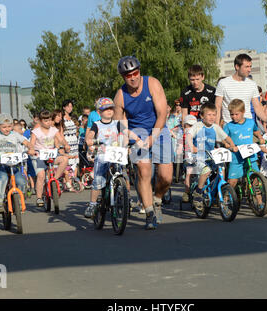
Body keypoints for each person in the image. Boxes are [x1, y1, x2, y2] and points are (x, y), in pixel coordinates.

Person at [113, 56, 173, 230]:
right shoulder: (120, 96)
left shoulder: (152, 83)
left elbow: (162, 113)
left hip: (159, 130)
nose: (133, 77)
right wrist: (133, 139)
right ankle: (149, 213)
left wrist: (152, 138)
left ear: (140, 71)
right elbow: (120, 125)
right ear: (123, 77)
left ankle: (158, 199)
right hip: (137, 134)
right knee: (144, 170)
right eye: (128, 75)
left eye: (135, 73)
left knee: (166, 177)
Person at [186, 103, 237, 211]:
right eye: (209, 115)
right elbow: (189, 136)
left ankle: (221, 189)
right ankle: (198, 192)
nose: (212, 117)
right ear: (202, 116)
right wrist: (192, 146)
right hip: (199, 154)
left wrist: (232, 145)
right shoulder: (198, 126)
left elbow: (226, 137)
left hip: (210, 154)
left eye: (214, 115)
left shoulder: (216, 127)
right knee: (206, 170)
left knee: (221, 167)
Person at [0, 114, 35, 214]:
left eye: (9, 126)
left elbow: (26, 142)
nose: (7, 129)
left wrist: (31, 148)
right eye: (4, 127)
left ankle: (19, 200)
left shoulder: (15, 135)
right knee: (3, 178)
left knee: (21, 180)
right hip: (0, 164)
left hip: (14, 164)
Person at [84, 98, 125, 218]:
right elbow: (89, 137)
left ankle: (123, 197)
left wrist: (129, 143)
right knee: (97, 180)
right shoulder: (97, 125)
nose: (109, 111)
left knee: (122, 174)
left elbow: (125, 134)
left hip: (116, 153)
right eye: (105, 109)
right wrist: (91, 141)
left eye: (111, 108)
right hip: (102, 154)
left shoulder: (117, 124)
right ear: (99, 112)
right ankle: (92, 204)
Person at [215, 53, 267, 126]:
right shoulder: (223, 83)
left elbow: (257, 107)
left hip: (247, 126)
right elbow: (218, 106)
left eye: (250, 66)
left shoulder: (252, 84)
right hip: (229, 126)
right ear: (237, 66)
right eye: (246, 67)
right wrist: (216, 126)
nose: (249, 70)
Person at [30, 110, 70, 207]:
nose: (48, 123)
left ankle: (54, 180)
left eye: (49, 120)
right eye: (45, 121)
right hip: (39, 155)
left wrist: (66, 145)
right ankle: (39, 198)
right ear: (40, 121)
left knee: (64, 159)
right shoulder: (36, 132)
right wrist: (31, 150)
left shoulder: (54, 130)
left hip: (51, 154)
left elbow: (61, 139)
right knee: (41, 175)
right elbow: (31, 143)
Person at [223, 99, 265, 188]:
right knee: (232, 181)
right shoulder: (228, 126)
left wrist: (260, 138)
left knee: (256, 180)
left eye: (236, 114)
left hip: (251, 156)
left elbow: (256, 131)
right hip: (236, 157)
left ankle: (260, 201)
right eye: (231, 114)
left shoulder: (250, 122)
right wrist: (228, 145)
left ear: (243, 112)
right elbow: (223, 138)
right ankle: (226, 199)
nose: (234, 117)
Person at [180, 115, 197, 203]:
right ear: (185, 126)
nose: (191, 128)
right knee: (189, 173)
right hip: (189, 158)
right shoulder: (185, 135)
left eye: (193, 126)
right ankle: (186, 192)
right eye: (189, 125)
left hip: (200, 157)